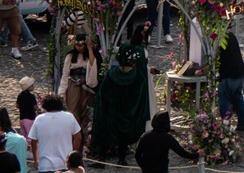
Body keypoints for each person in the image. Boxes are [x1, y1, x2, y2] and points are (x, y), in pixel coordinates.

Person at [92, 36, 152, 164]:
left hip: (111, 113)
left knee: (107, 134)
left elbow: (102, 95)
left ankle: (102, 158)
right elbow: (140, 100)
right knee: (124, 137)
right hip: (128, 115)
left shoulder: (111, 75)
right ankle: (122, 158)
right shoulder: (139, 77)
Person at [133, 112, 200, 173]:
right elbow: (181, 153)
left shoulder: (145, 136)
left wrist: (144, 167)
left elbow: (137, 155)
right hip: (161, 170)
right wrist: (197, 155)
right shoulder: (167, 138)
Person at [28, 95, 80, 173]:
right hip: (66, 163)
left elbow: (34, 142)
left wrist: (36, 159)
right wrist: (72, 155)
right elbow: (78, 138)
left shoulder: (39, 119)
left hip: (45, 164)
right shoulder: (69, 117)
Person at [217, 29, 244, 132]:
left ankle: (226, 127)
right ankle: (243, 123)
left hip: (227, 74)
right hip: (239, 72)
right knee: (238, 98)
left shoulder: (217, 39)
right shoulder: (231, 35)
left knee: (224, 101)